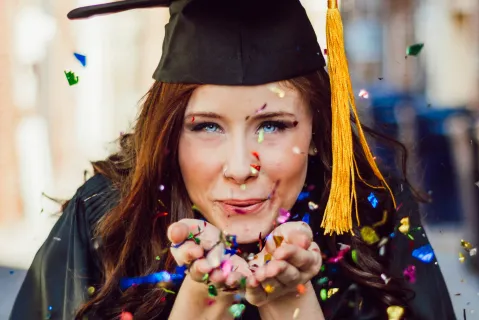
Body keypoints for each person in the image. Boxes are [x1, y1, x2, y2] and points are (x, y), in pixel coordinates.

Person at [10, 0, 456, 319]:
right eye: (206, 127)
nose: (241, 167)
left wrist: (290, 304)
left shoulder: (371, 216)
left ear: (319, 132)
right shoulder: (104, 220)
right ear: (169, 135)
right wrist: (202, 304)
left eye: (275, 125)